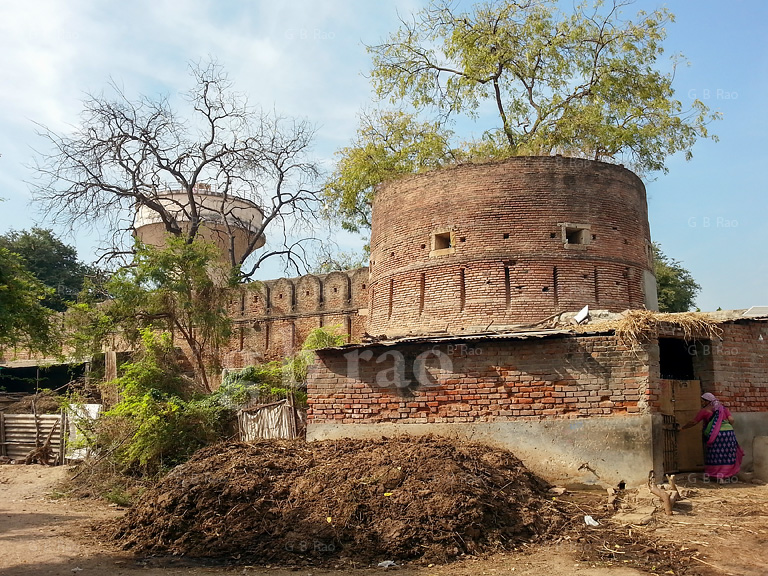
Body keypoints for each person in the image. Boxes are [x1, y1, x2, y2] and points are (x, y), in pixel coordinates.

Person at [681, 392, 744, 480]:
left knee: (716, 454)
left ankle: (717, 475)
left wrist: (683, 428)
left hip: (716, 435)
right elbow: (731, 420)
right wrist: (724, 424)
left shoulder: (704, 411)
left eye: (703, 401)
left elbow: (694, 422)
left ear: (707, 401)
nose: (702, 403)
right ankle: (727, 475)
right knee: (727, 454)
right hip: (729, 434)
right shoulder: (722, 409)